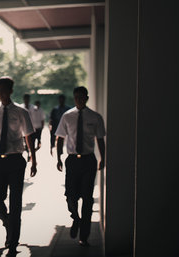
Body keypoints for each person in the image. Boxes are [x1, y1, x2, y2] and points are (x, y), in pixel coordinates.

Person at [0, 76, 37, 254]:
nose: (0, 94)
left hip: (16, 160)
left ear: (11, 91)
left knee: (16, 202)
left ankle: (12, 241)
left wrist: (34, 160)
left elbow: (29, 136)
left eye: (4, 90)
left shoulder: (21, 112)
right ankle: (8, 222)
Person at [55, 86, 105, 247]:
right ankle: (76, 218)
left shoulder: (95, 117)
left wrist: (103, 158)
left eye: (81, 97)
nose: (78, 100)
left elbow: (100, 139)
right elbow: (60, 138)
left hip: (88, 160)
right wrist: (58, 158)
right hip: (72, 160)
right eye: (76, 97)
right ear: (74, 98)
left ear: (86, 98)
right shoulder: (67, 116)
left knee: (87, 198)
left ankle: (84, 235)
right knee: (70, 195)